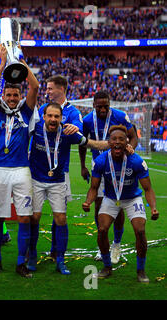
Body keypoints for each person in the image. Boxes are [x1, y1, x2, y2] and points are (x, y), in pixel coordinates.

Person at [28, 103, 109, 275]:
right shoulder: (34, 129)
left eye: (57, 116)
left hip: (57, 181)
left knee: (61, 219)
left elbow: (90, 144)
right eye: (50, 116)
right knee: (34, 218)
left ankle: (60, 260)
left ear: (61, 118)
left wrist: (114, 144)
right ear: (43, 116)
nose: (53, 119)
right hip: (36, 180)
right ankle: (32, 256)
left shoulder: (68, 132)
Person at [0, 45, 39, 277]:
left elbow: (35, 86)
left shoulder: (26, 112)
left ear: (19, 97)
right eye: (8, 95)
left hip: (21, 171)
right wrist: (3, 62)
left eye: (14, 95)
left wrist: (20, 63)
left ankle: (20, 262)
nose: (11, 98)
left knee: (24, 216)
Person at [82, 125, 159, 283]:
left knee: (140, 230)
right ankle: (107, 266)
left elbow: (148, 188)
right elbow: (94, 188)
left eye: (121, 139)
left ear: (127, 142)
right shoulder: (101, 161)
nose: (117, 142)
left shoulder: (136, 161)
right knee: (102, 229)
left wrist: (153, 208)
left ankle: (141, 270)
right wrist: (88, 201)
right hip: (110, 198)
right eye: (114, 139)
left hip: (132, 199)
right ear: (109, 142)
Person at [79, 90, 138, 263]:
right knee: (99, 205)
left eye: (106, 106)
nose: (103, 109)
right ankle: (102, 244)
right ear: (93, 105)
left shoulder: (121, 116)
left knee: (118, 204)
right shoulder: (88, 120)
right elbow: (83, 144)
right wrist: (83, 166)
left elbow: (133, 137)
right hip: (99, 166)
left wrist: (130, 150)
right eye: (99, 106)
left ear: (110, 104)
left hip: (120, 165)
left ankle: (116, 244)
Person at [41, 75, 83, 261]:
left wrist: (74, 128)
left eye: (50, 88)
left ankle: (56, 251)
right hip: (38, 170)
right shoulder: (43, 108)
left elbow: (79, 131)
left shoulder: (73, 112)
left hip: (61, 171)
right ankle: (30, 252)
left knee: (60, 214)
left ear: (61, 89)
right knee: (32, 214)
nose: (47, 92)